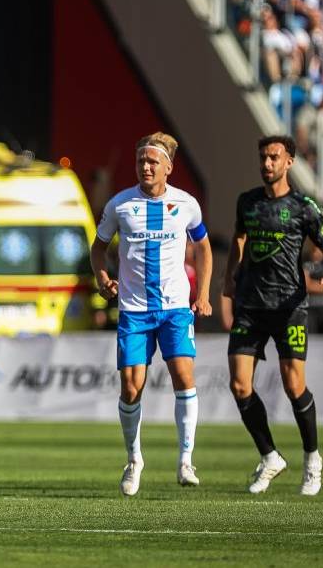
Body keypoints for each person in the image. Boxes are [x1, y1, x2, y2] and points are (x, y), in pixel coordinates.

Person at [89, 132, 213, 497]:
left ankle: (186, 460)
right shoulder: (120, 205)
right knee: (131, 387)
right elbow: (98, 249)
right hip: (134, 309)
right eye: (141, 160)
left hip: (175, 307)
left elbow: (204, 249)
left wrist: (203, 294)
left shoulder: (187, 204)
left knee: (183, 376)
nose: (145, 166)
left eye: (152, 161)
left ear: (168, 168)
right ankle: (133, 460)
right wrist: (102, 278)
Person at [222, 135, 323, 496]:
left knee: (293, 385)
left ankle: (312, 459)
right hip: (251, 306)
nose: (267, 163)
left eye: (274, 157)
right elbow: (239, 242)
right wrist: (228, 280)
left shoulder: (304, 207)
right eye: (263, 157)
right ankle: (270, 455)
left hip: (289, 307)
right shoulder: (248, 202)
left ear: (289, 161)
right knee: (240, 384)